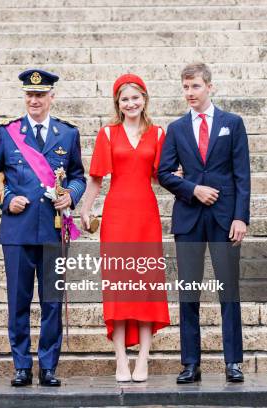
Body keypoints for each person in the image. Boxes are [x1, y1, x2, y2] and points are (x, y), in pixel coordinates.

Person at [0, 69, 86, 387]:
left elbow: (79, 176)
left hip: (54, 230)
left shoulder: (67, 134)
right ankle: (22, 365)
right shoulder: (7, 132)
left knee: (52, 301)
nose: (34, 100)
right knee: (19, 300)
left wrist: (71, 195)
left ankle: (49, 365)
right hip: (18, 230)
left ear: (51, 97)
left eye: (40, 95)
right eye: (30, 95)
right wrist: (7, 199)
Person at [158, 62, 250, 384]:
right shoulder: (176, 128)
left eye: (195, 86)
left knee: (229, 291)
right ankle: (190, 363)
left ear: (209, 87)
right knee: (189, 292)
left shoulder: (232, 124)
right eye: (185, 87)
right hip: (189, 219)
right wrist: (193, 189)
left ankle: (233, 362)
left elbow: (242, 175)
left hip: (226, 219)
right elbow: (164, 173)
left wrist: (241, 216)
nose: (189, 93)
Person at [80, 74, 170, 382]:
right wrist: (86, 207)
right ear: (117, 104)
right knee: (118, 287)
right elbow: (96, 178)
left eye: (135, 97)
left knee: (146, 287)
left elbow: (163, 176)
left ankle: (143, 359)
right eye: (124, 99)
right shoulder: (108, 133)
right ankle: (121, 359)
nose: (130, 103)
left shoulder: (158, 134)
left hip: (146, 216)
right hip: (117, 216)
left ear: (144, 99)